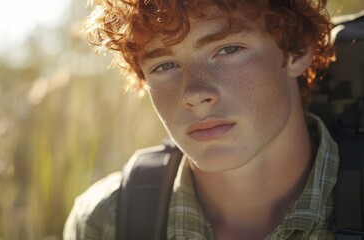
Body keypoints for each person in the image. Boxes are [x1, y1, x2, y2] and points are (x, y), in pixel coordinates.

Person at [64, 0, 338, 239]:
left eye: (228, 49)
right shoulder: (105, 221)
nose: (195, 94)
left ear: (297, 50)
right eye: (164, 65)